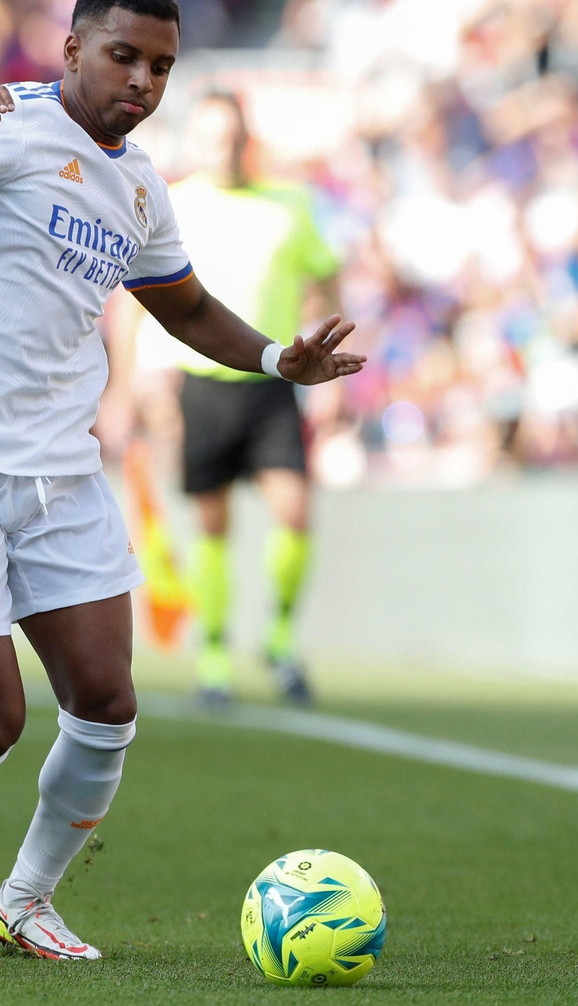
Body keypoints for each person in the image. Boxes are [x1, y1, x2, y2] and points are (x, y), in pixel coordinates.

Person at [0, 0, 363, 959]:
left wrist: (272, 358)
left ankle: (26, 898)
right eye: (123, 55)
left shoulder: (138, 187)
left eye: (160, 65)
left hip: (58, 470)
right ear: (72, 46)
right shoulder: (8, 129)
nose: (142, 80)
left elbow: (183, 304)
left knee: (106, 699)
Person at [150, 91, 341, 705]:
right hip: (200, 383)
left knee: (295, 512)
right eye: (210, 137)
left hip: (273, 383)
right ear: (195, 141)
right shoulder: (173, 203)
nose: (222, 148)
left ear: (246, 139)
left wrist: (326, 350)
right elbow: (141, 301)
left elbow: (325, 277)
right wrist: (136, 381)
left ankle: (280, 636)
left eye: (231, 136)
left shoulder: (290, 204)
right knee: (212, 525)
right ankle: (212, 656)